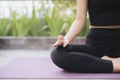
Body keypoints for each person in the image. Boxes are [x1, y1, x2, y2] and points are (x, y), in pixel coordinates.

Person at [51, 0, 120, 73]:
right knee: (58, 53)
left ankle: (104, 62)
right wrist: (66, 39)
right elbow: (79, 19)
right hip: (96, 45)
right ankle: (115, 65)